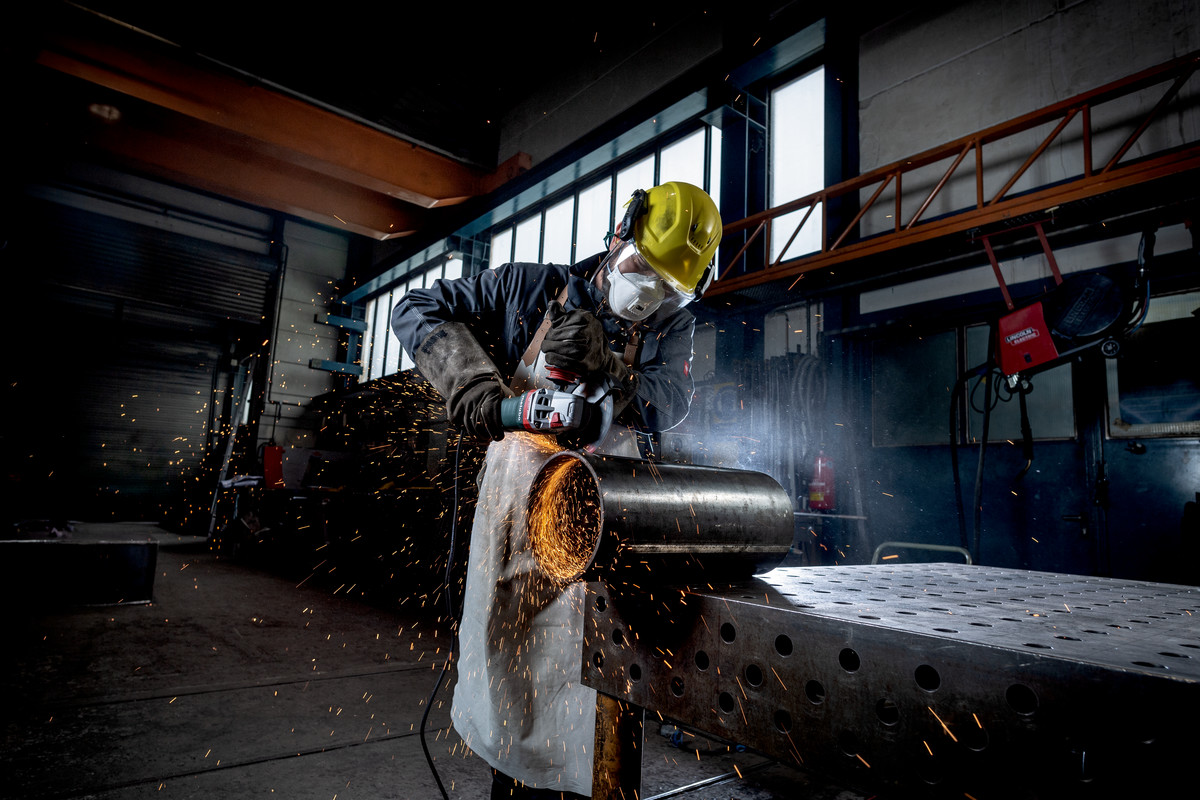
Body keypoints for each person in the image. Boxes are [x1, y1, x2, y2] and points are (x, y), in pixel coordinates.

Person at [392, 181, 721, 798]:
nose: (646, 295)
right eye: (640, 269)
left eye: (666, 289)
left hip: (608, 514)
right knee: (510, 676)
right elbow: (415, 307)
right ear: (618, 235)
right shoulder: (528, 289)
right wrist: (477, 390)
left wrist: (615, 373)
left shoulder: (672, 325)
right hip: (517, 507)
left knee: (600, 683)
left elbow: (673, 401)